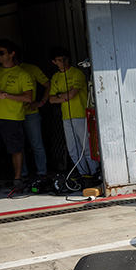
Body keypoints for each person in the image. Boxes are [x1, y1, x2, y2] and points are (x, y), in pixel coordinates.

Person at [0, 39, 36, 190]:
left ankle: (18, 179)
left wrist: (6, 95)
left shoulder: (23, 74)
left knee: (16, 149)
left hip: (13, 117)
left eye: (1, 53)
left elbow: (28, 97)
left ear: (12, 54)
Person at [47, 48, 99, 178]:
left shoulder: (77, 73)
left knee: (86, 147)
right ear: (54, 62)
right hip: (66, 117)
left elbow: (73, 94)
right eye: (59, 60)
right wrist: (64, 96)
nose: (63, 62)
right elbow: (51, 99)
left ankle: (95, 173)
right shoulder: (55, 77)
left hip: (81, 115)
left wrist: (60, 96)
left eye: (64, 59)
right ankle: (84, 175)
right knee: (73, 149)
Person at [15, 54, 49, 180]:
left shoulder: (31, 69)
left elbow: (47, 84)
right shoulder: (0, 71)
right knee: (18, 146)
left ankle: (42, 172)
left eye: (1, 53)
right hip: (13, 114)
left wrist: (41, 102)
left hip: (30, 113)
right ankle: (22, 175)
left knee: (36, 144)